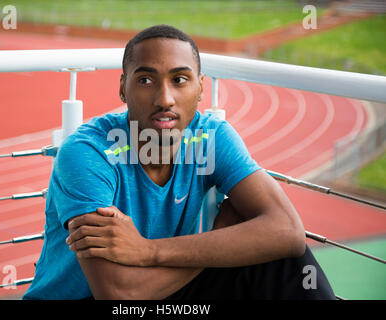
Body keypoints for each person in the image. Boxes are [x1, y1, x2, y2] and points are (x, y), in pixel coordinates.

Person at [23, 24, 335, 300]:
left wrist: (148, 251)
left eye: (180, 79)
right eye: (146, 80)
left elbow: (288, 232)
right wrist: (221, 234)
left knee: (283, 262)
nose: (165, 99)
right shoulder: (88, 152)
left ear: (200, 87)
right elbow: (120, 293)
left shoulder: (210, 136)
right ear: (122, 87)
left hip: (162, 285)